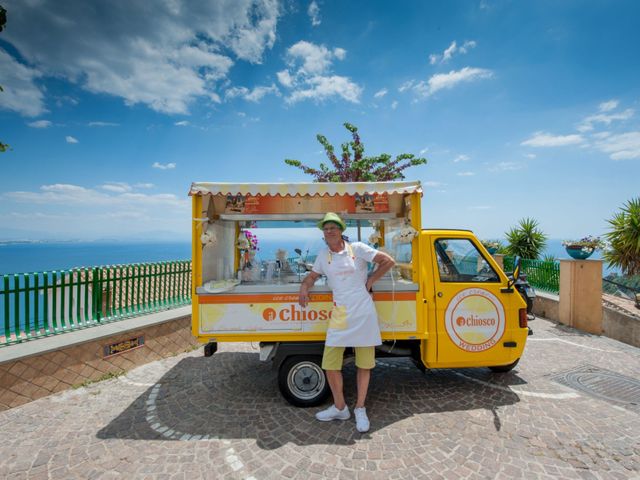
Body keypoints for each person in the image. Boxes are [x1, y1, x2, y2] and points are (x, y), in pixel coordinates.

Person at [298, 212, 395, 433]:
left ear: (341, 230)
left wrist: (371, 279)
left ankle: (360, 407)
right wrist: (305, 286)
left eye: (333, 227)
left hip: (363, 313)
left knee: (364, 364)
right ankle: (340, 407)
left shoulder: (358, 248)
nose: (329, 231)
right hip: (340, 313)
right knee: (330, 363)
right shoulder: (324, 255)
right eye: (325, 228)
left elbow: (388, 261)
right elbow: (312, 276)